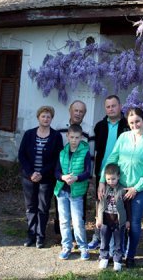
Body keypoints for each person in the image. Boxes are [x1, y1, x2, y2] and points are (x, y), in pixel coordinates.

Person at [98, 107, 143, 268]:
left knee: (134, 223)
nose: (135, 125)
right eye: (131, 123)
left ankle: (130, 255)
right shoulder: (124, 137)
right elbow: (112, 158)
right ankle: (116, 252)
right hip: (119, 187)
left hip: (139, 189)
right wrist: (103, 180)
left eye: (137, 121)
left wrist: (136, 188)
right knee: (117, 221)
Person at [88, 95, 130, 250]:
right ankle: (97, 237)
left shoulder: (127, 125)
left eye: (114, 106)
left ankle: (120, 241)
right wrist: (97, 175)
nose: (111, 109)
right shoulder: (99, 126)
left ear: (120, 106)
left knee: (120, 206)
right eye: (108, 106)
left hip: (121, 175)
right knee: (100, 204)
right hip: (102, 173)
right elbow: (97, 150)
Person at [18, 106, 64, 249]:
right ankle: (31, 235)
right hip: (28, 178)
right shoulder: (29, 134)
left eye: (48, 117)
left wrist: (41, 173)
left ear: (51, 119)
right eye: (43, 116)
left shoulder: (56, 136)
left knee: (43, 208)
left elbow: (57, 158)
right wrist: (31, 172)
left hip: (47, 178)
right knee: (30, 207)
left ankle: (40, 236)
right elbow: (22, 155)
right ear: (38, 117)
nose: (45, 119)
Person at [54, 124, 92, 260]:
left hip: (76, 192)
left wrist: (76, 178)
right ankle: (66, 246)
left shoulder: (85, 152)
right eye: (72, 137)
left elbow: (88, 172)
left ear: (81, 137)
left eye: (77, 137)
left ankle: (83, 247)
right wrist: (63, 177)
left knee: (77, 222)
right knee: (64, 221)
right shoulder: (62, 152)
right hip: (62, 191)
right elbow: (56, 172)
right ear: (67, 136)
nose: (74, 140)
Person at [55, 100, 90, 234]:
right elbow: (57, 150)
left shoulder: (88, 129)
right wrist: (59, 174)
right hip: (62, 174)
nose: (78, 113)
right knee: (61, 208)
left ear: (84, 114)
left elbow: (90, 153)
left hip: (79, 177)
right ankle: (61, 235)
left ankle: (77, 235)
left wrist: (87, 175)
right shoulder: (60, 126)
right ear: (70, 110)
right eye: (76, 110)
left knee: (78, 209)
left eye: (81, 111)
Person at [96, 163, 131, 272]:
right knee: (104, 241)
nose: (111, 181)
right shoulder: (104, 189)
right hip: (106, 220)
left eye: (113, 179)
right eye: (108, 179)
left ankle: (117, 261)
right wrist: (98, 218)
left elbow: (127, 206)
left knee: (118, 242)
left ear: (118, 177)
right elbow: (99, 203)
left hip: (118, 221)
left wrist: (128, 220)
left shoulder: (122, 190)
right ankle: (104, 258)